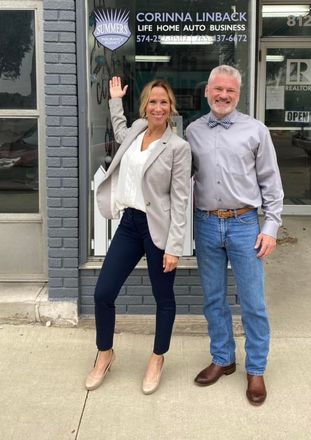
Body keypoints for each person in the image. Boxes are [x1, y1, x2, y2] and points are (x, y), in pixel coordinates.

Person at [85, 76, 191, 394]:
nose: (158, 107)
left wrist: (174, 247)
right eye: (152, 101)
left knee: (164, 299)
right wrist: (115, 100)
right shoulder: (135, 130)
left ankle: (158, 358)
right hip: (130, 225)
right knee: (103, 293)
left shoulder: (178, 148)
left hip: (157, 230)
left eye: (164, 102)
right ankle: (105, 353)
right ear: (145, 105)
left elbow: (181, 200)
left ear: (171, 108)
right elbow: (119, 132)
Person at [185, 65, 283, 405]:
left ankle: (255, 369)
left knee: (253, 303)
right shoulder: (193, 130)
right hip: (207, 223)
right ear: (207, 92)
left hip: (245, 226)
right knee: (213, 299)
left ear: (238, 95)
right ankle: (223, 359)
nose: (223, 95)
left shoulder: (255, 131)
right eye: (218, 89)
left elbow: (272, 184)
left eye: (230, 91)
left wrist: (270, 228)